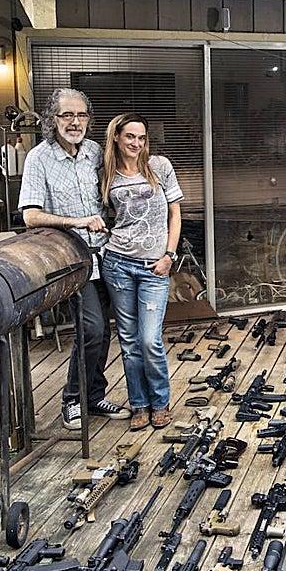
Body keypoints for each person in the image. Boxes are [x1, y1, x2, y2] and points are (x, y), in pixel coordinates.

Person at [18, 89, 130, 430]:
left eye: (80, 115)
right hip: (71, 259)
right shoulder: (39, 158)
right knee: (92, 329)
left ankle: (94, 396)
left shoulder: (96, 152)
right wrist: (76, 222)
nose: (75, 122)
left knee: (103, 330)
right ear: (52, 120)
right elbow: (31, 216)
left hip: (106, 255)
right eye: (67, 115)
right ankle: (72, 399)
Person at [99, 113, 182, 431]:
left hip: (154, 267)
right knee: (130, 340)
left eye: (142, 137)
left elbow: (175, 213)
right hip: (118, 263)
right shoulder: (106, 174)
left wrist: (169, 256)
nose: (136, 143)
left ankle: (160, 402)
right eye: (130, 136)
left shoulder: (159, 167)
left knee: (150, 340)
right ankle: (139, 405)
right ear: (117, 137)